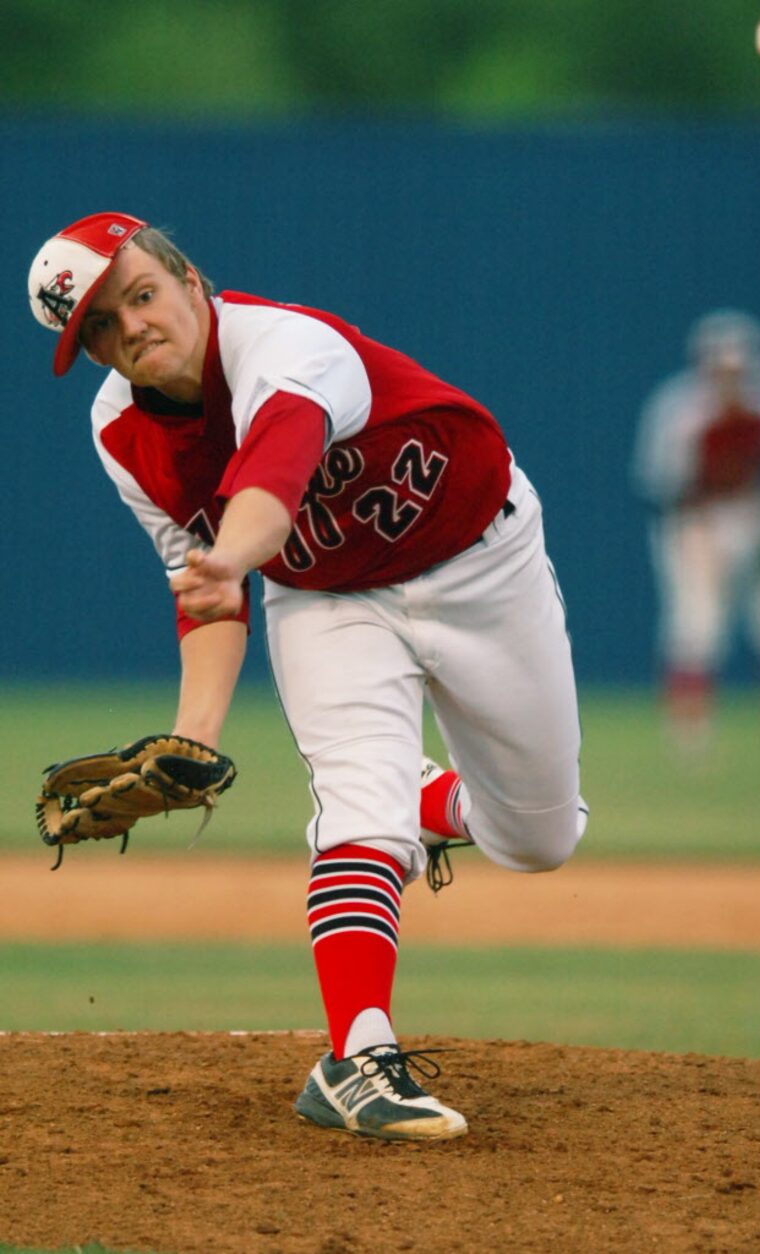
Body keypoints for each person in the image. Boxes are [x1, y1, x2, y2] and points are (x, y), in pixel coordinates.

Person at [28, 211, 588, 1142]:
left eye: (140, 295)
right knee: (359, 811)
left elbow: (273, 478)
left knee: (539, 842)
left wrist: (232, 557)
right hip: (328, 600)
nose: (131, 329)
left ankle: (433, 801)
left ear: (190, 279)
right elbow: (205, 589)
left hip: (480, 561)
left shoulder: (289, 346)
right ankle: (359, 1057)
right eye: (99, 326)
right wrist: (192, 738)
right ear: (86, 350)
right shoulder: (119, 432)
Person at [631, 309, 760, 752]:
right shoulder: (679, 409)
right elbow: (659, 485)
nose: (731, 378)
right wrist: (696, 531)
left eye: (738, 369)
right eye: (722, 368)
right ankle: (689, 734)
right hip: (697, 524)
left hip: (756, 518)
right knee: (696, 625)